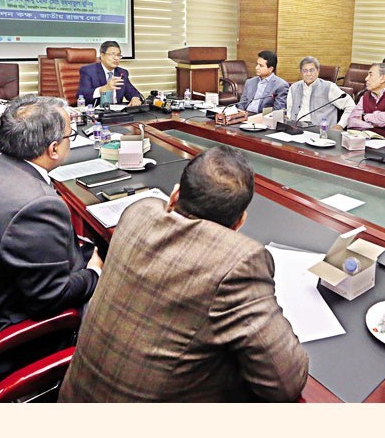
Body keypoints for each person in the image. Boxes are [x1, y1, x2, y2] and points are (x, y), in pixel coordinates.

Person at [59, 146, 309, 402]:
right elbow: (285, 382)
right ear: (239, 222)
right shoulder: (239, 262)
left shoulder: (139, 210)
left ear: (174, 195)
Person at [0, 95, 103, 373]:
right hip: (11, 335)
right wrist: (94, 273)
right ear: (53, 149)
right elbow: (51, 298)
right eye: (70, 136)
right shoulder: (36, 204)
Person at [285, 56, 355, 129]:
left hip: (320, 130)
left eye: (312, 70)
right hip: (296, 128)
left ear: (318, 71)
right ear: (301, 72)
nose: (308, 74)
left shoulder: (329, 87)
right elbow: (289, 111)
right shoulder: (294, 87)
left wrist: (340, 125)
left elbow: (351, 106)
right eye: (305, 71)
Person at [77, 41, 143, 107]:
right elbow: (82, 95)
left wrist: (135, 98)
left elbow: (133, 92)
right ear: (102, 56)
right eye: (112, 54)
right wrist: (103, 89)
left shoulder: (122, 72)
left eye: (118, 55)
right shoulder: (88, 71)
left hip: (117, 111)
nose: (116, 58)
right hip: (96, 111)